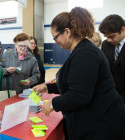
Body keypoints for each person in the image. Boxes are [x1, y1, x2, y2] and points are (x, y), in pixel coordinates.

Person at [33, 7, 125, 140]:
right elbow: (77, 83)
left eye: (55, 37)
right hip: (96, 120)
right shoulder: (81, 50)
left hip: (102, 124)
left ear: (67, 32)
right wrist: (48, 87)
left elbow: (79, 95)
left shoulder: (85, 53)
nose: (55, 41)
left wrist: (53, 104)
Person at [99, 14, 125, 101]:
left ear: (123, 29)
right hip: (109, 94)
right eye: (106, 37)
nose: (109, 40)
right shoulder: (106, 44)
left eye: (112, 36)